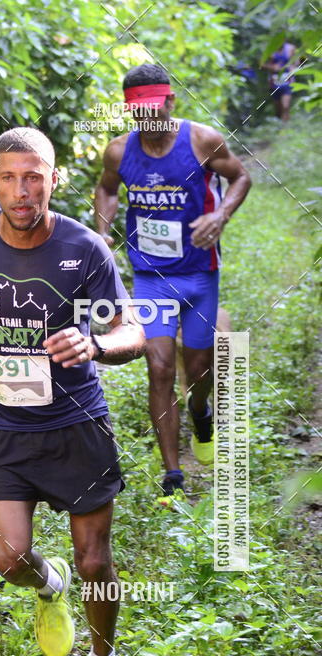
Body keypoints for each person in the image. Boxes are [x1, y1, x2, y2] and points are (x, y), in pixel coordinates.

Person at [0, 127, 145, 656]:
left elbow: (132, 332)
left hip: (76, 423)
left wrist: (94, 344)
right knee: (10, 558)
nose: (22, 191)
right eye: (9, 178)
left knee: (94, 560)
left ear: (54, 180)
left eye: (34, 178)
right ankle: (48, 585)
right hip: (4, 425)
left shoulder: (84, 247)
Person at [94, 63, 251, 500]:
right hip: (151, 277)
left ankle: (201, 412)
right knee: (159, 367)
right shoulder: (119, 151)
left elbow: (241, 176)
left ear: (170, 102)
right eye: (136, 110)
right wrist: (102, 230)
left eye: (152, 107)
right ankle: (173, 477)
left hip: (201, 273)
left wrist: (221, 215)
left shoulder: (201, 140)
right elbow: (107, 189)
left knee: (198, 370)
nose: (146, 118)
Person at [262, 42, 298, 122]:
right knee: (278, 107)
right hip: (274, 82)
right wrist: (272, 67)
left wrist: (293, 68)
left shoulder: (290, 48)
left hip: (287, 81)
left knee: (285, 106)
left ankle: (285, 127)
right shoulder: (270, 49)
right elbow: (262, 64)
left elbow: (297, 62)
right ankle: (279, 121)